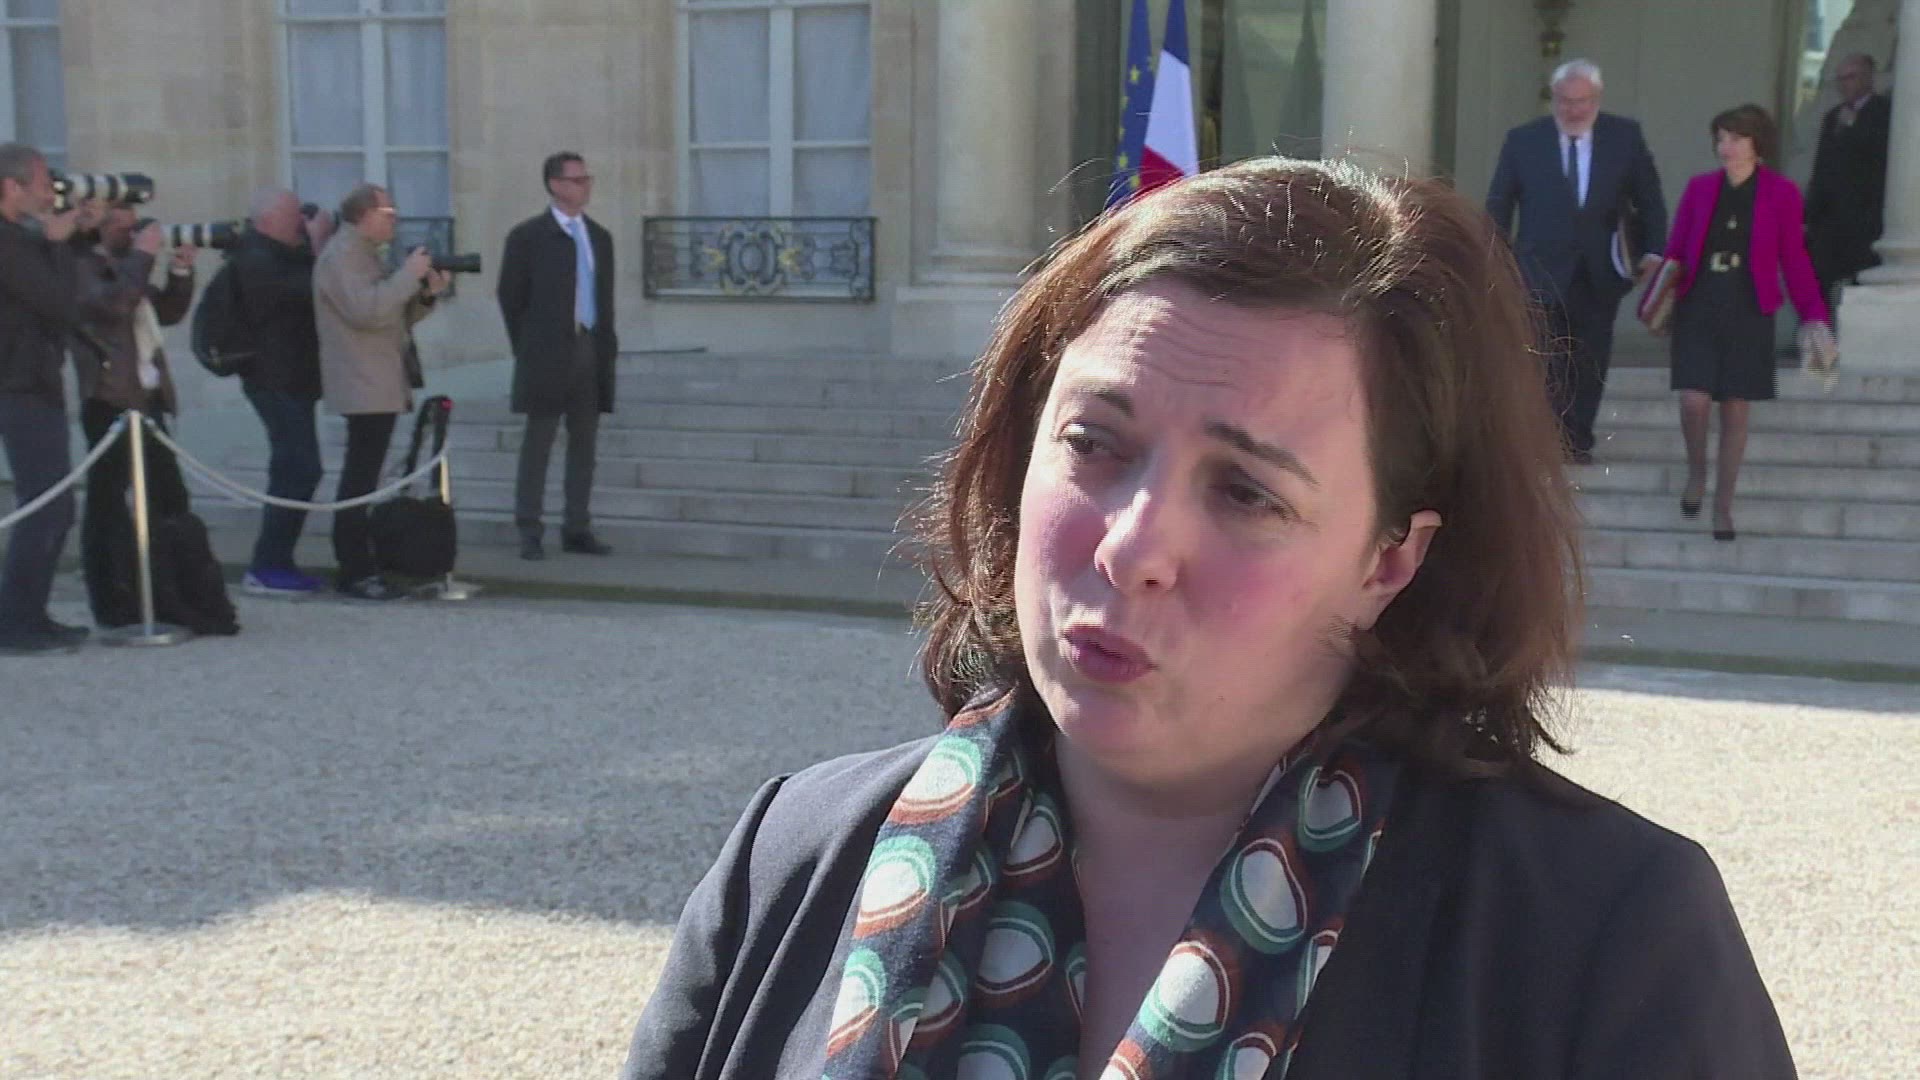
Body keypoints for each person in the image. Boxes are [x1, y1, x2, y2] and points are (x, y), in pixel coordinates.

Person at [622, 158, 1794, 1078]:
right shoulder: (796, 856)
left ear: (1390, 560)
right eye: (1096, 443)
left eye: (1245, 493)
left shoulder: (1605, 942)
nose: (1134, 548)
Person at [1486, 58, 1668, 463]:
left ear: (1597, 99)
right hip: (1538, 269)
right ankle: (1547, 440)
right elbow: (1499, 203)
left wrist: (1654, 251)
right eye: (1565, 101)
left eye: (1582, 101)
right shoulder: (1524, 141)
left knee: (1590, 357)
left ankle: (1578, 439)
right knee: (1544, 358)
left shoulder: (1624, 138)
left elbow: (1650, 199)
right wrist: (1497, 258)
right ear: (1554, 99)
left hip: (1600, 271)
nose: (1573, 110)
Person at [1664, 105, 1830, 543]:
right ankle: (1696, 472)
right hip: (1700, 302)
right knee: (1694, 400)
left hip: (1749, 307)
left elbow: (1794, 259)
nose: (1726, 147)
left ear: (1758, 144)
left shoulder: (1781, 193)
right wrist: (1657, 286)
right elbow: (1676, 250)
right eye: (1720, 138)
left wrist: (1814, 315)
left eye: (1735, 138)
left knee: (1736, 407)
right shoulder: (1700, 189)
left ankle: (1723, 506)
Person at [312, 182, 450, 600]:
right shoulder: (341, 255)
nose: (395, 220)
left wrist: (425, 294)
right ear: (363, 216)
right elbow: (366, 311)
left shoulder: (365, 254)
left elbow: (391, 315)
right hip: (362, 380)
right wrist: (408, 275)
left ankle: (363, 563)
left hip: (378, 377)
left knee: (366, 477)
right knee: (360, 478)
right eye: (387, 213)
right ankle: (354, 569)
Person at [71, 205, 198, 626]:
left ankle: (173, 591)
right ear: (100, 228)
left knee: (170, 497)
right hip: (108, 399)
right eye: (122, 226)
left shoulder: (129, 270)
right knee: (107, 504)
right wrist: (144, 256)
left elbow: (165, 312)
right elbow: (114, 307)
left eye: (135, 225)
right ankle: (111, 600)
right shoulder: (82, 266)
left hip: (147, 398)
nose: (132, 233)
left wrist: (180, 271)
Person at [496, 151, 617, 561]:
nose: (585, 186)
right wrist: (530, 347)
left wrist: (603, 347)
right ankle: (529, 528)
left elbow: (604, 297)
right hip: (546, 352)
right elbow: (511, 297)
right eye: (577, 180)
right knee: (539, 443)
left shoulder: (599, 237)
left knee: (584, 444)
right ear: (555, 185)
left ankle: (577, 527)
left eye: (587, 179)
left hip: (590, 346)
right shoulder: (528, 237)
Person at [0, 142, 89, 655]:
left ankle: (30, 614)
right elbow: (59, 304)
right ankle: (15, 622)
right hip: (20, 385)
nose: (48, 192)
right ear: (11, 187)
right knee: (44, 506)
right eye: (39, 183)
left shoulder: (19, 238)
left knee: (54, 507)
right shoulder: (8, 244)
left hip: (32, 380)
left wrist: (68, 235)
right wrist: (58, 245)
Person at [232, 187, 335, 596]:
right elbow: (312, 290)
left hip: (292, 377)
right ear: (269, 219)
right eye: (293, 216)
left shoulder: (277, 253)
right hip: (273, 378)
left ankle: (276, 561)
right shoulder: (255, 258)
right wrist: (320, 243)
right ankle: (268, 565)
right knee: (300, 468)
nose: (300, 223)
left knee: (293, 468)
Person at [1805, 53, 1891, 307]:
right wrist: (1809, 214)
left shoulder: (1885, 112)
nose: (1844, 85)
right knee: (1816, 282)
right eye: (1840, 79)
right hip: (1829, 220)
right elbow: (1822, 167)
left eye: (1850, 77)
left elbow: (1879, 159)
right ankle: (1818, 330)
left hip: (1865, 219)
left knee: (1861, 288)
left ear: (1868, 78)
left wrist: (1853, 129)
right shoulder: (1833, 116)